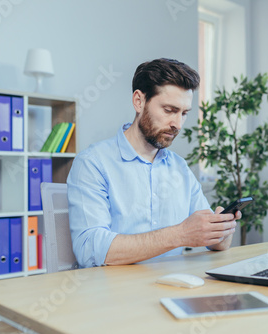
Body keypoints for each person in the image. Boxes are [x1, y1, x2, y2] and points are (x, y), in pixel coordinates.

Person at [67, 58, 240, 268]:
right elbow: (89, 251)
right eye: (169, 110)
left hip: (171, 286)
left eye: (184, 113)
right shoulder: (92, 163)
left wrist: (221, 229)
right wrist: (180, 235)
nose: (177, 124)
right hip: (113, 294)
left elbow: (216, 245)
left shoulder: (180, 169)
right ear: (139, 101)